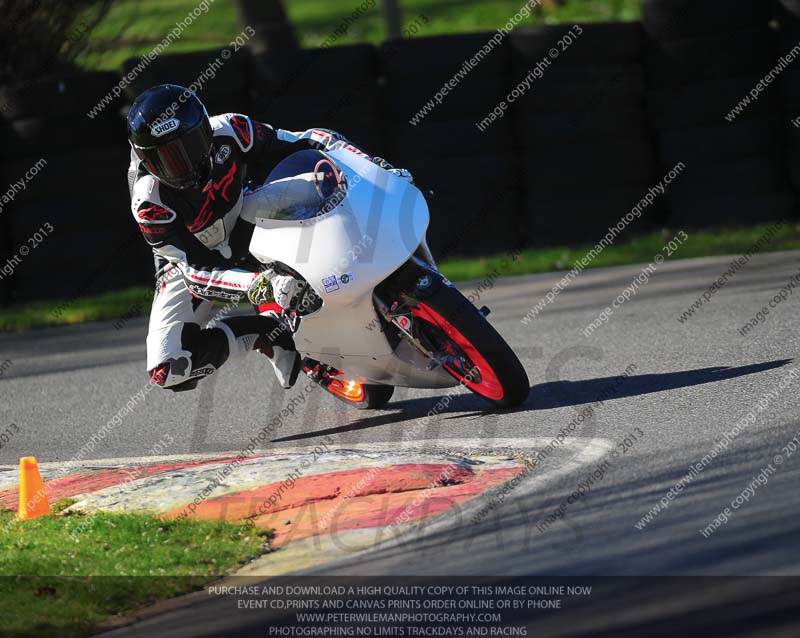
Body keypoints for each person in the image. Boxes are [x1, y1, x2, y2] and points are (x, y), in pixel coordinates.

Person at [127, 84, 411, 392]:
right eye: (166, 159)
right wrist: (257, 286)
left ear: (206, 131)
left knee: (325, 181)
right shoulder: (149, 203)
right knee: (167, 370)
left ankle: (381, 255)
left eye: (189, 147)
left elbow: (309, 139)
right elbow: (193, 272)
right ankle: (268, 332)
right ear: (146, 161)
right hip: (195, 260)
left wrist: (370, 165)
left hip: (247, 211)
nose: (182, 166)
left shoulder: (232, 129)